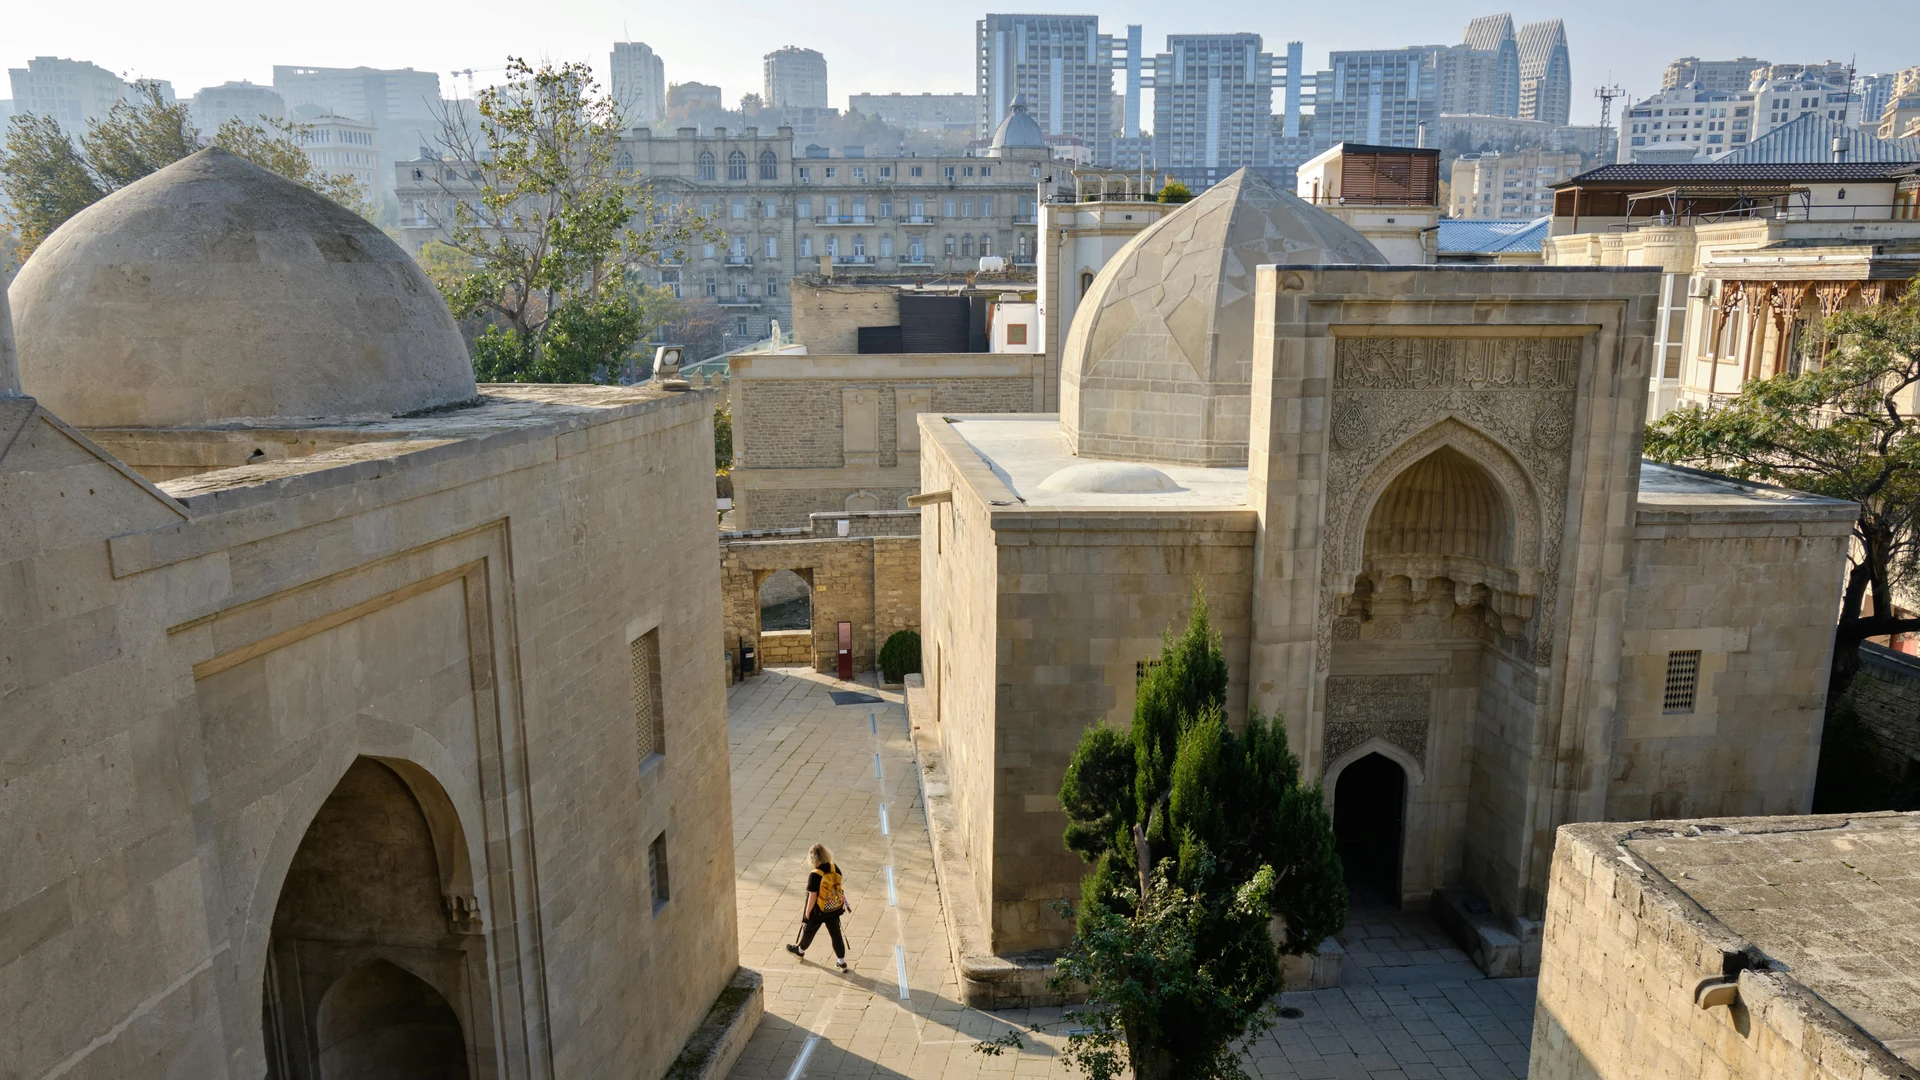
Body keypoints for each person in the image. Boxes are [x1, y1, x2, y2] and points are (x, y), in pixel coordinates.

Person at [785, 842, 852, 971]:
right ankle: (841, 962)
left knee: (809, 931)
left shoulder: (815, 874)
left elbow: (813, 896)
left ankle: (800, 951)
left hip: (819, 910)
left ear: (813, 858)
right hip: (834, 907)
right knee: (836, 934)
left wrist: (807, 913)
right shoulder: (834, 868)